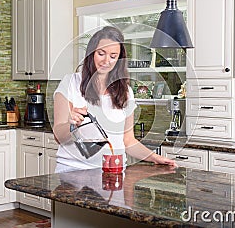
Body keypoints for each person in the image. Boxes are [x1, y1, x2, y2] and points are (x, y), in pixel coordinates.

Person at [53, 26, 177, 173]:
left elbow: (128, 141)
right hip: (73, 171)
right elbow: (59, 136)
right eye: (101, 53)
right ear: (91, 53)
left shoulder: (125, 92)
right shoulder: (71, 83)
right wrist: (71, 124)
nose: (106, 60)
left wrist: (155, 157)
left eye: (113, 56)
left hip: (113, 172)